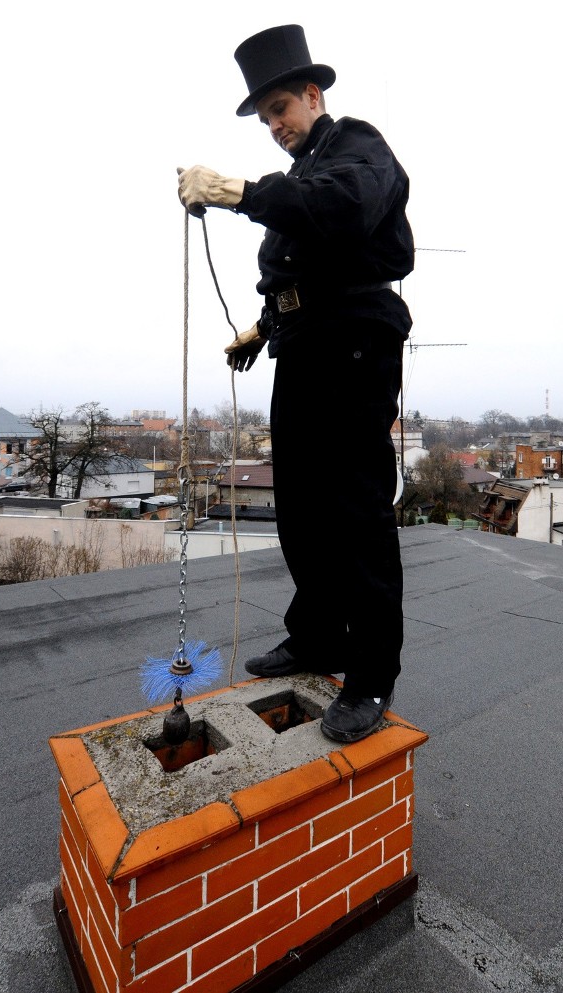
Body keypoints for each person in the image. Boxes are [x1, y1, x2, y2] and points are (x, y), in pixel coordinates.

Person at [177, 24, 414, 743]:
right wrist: (263, 326)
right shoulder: (307, 169)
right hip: (304, 345)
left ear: (314, 95)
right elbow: (302, 266)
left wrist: (236, 190)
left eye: (282, 107)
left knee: (358, 511)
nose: (276, 125)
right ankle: (317, 636)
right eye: (267, 116)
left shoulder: (356, 149)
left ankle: (370, 675)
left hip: (352, 346)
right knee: (304, 507)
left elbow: (339, 215)